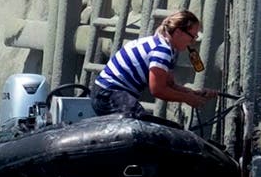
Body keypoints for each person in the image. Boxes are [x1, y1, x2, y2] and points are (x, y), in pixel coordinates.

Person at [91, 9, 220, 118]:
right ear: (179, 32)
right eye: (192, 36)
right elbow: (158, 90)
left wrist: (192, 93)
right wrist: (188, 99)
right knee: (140, 125)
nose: (192, 42)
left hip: (105, 93)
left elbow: (169, 85)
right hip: (109, 94)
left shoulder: (164, 46)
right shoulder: (162, 50)